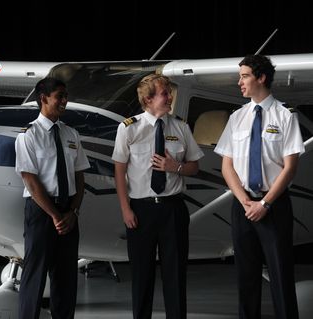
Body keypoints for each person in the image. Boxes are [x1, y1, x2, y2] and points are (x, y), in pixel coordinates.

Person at [214, 54, 303, 319]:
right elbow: (227, 167)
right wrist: (246, 203)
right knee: (246, 277)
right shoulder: (237, 117)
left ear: (261, 78)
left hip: (273, 207)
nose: (239, 82)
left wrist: (264, 204)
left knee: (280, 276)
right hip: (243, 207)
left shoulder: (285, 116)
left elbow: (290, 167)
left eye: (244, 76)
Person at [112, 74, 204, 319]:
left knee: (175, 275)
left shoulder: (181, 126)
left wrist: (177, 167)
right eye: (165, 93)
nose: (170, 97)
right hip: (140, 210)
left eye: (169, 92)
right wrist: (125, 209)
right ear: (148, 99)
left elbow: (194, 166)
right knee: (141, 276)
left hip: (173, 209)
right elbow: (119, 171)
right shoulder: (129, 128)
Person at [15, 77, 90, 319]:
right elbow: (31, 181)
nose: (65, 100)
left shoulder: (71, 134)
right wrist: (56, 216)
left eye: (65, 96)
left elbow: (79, 178)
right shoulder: (28, 135)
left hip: (69, 212)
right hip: (42, 212)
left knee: (66, 278)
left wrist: (73, 213)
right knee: (34, 276)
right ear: (43, 98)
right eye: (59, 96)